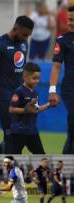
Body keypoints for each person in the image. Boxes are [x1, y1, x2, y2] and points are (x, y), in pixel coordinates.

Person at [0, 16, 34, 154]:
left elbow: (21, 71)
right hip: (3, 94)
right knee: (12, 134)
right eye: (24, 35)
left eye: (28, 36)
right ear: (15, 28)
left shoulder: (24, 44)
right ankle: (11, 171)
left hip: (19, 95)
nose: (26, 38)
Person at [8, 63, 50, 154]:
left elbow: (36, 110)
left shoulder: (35, 92)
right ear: (24, 76)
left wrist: (48, 105)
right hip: (18, 132)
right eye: (34, 78)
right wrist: (25, 110)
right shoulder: (19, 91)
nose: (37, 81)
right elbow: (11, 109)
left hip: (32, 131)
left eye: (38, 78)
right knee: (14, 158)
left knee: (41, 156)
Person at [48, 4, 74, 154]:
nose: (70, 22)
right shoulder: (62, 40)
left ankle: (67, 154)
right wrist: (52, 90)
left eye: (73, 20)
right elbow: (56, 67)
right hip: (70, 89)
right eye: (69, 19)